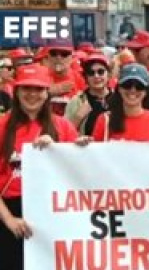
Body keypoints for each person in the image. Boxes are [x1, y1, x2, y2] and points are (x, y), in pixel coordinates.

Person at [0, 64, 78, 270]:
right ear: (16, 92)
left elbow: (79, 171)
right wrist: (9, 219)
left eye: (39, 89)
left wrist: (61, 149)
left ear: (47, 93)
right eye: (26, 88)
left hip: (54, 209)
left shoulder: (62, 126)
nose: (32, 95)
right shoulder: (2, 126)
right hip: (11, 213)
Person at [91, 63, 149, 141]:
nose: (133, 90)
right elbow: (94, 152)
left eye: (139, 86)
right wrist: (83, 145)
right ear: (119, 89)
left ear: (146, 91)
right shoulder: (105, 120)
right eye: (127, 85)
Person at [64, 54, 113, 135]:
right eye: (91, 73)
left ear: (108, 74)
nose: (96, 76)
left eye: (100, 72)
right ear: (85, 77)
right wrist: (78, 117)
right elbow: (64, 134)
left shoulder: (119, 99)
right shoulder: (76, 101)